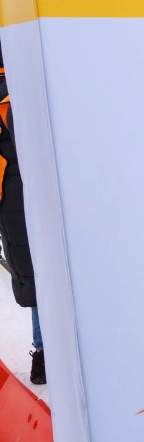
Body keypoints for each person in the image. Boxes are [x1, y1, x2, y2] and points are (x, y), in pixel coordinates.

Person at [0, 50, 45, 384]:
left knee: (38, 276)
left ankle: (44, 352)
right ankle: (46, 351)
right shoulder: (28, 84)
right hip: (29, 196)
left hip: (15, 200)